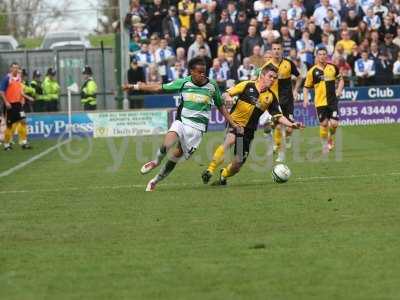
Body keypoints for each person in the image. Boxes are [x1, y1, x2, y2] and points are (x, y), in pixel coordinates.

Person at [123, 57, 241, 191]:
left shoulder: (212, 85)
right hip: (182, 121)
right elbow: (157, 88)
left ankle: (154, 181)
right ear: (191, 72)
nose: (203, 74)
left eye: (204, 71)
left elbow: (221, 107)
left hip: (197, 130)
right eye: (199, 72)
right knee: (166, 144)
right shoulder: (184, 83)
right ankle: (155, 161)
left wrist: (233, 123)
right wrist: (135, 86)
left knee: (174, 157)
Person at [201, 64, 303, 186]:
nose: (272, 80)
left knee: (237, 164)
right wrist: (228, 98)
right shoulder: (247, 85)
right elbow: (226, 94)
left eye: (274, 78)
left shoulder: (270, 97)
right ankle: (210, 170)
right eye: (270, 76)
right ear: (262, 75)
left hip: (248, 131)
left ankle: (224, 174)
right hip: (235, 123)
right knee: (230, 140)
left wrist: (291, 124)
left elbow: (278, 116)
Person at [261, 41, 302, 162]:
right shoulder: (267, 67)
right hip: (274, 102)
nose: (276, 51)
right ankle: (280, 153)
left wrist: (295, 90)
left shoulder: (288, 63)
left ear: (282, 50)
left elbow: (299, 77)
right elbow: (261, 84)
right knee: (278, 127)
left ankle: (286, 138)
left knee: (289, 129)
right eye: (274, 49)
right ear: (271, 50)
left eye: (279, 48)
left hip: (288, 100)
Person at [303, 47, 344, 153]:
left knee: (334, 124)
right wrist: (306, 99)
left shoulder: (333, 67)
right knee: (324, 124)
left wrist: (339, 90)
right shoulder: (312, 71)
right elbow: (306, 87)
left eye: (324, 54)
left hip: (332, 101)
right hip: (320, 102)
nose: (322, 56)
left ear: (327, 56)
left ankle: (330, 138)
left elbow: (341, 80)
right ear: (317, 56)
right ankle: (325, 144)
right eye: (320, 54)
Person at [0, 62, 33, 150]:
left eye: (17, 68)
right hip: (10, 105)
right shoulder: (7, 78)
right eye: (14, 68)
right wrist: (6, 102)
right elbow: (1, 91)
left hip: (18, 104)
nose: (16, 69)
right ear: (10, 69)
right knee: (9, 126)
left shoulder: (18, 78)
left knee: (23, 121)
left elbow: (20, 91)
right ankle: (7, 145)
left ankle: (24, 142)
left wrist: (27, 97)